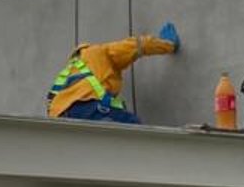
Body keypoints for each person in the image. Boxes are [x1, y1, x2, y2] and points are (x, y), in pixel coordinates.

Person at [46, 22, 181, 123]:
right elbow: (137, 45)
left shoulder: (65, 76)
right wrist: (167, 44)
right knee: (138, 136)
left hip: (61, 121)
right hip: (91, 110)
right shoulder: (97, 52)